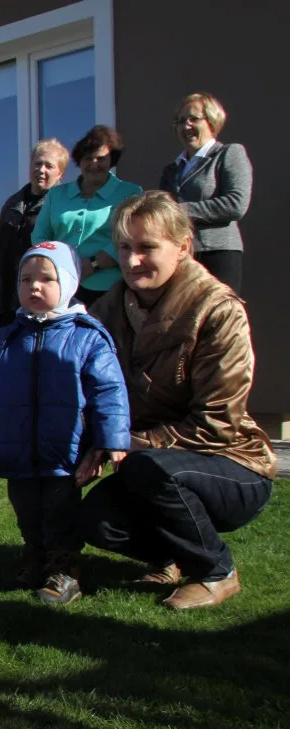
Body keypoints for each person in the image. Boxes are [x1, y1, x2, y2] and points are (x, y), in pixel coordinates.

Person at [79, 191, 275, 610]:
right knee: (96, 519)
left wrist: (124, 443)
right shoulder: (107, 311)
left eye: (147, 247)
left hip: (232, 463)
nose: (132, 261)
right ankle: (170, 557)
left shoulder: (218, 310)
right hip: (148, 462)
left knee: (151, 469)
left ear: (183, 247)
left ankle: (217, 572)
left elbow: (217, 423)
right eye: (124, 247)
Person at [0, 241, 130, 605]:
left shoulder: (87, 336)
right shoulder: (8, 337)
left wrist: (111, 439)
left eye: (46, 279)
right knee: (26, 509)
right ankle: (35, 554)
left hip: (63, 449)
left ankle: (64, 567)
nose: (34, 287)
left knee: (60, 512)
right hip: (16, 447)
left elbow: (109, 389)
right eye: (25, 280)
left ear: (68, 283)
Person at [32, 125, 143, 306]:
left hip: (110, 289)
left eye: (101, 158)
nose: (94, 164)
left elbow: (132, 236)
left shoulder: (130, 193)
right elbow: (40, 236)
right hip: (61, 285)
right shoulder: (57, 194)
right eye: (87, 158)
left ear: (112, 160)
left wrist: (93, 264)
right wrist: (56, 264)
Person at [158, 93, 252, 292]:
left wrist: (180, 211)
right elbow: (163, 211)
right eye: (181, 121)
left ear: (212, 121)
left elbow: (236, 204)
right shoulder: (172, 169)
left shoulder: (228, 154)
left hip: (217, 252)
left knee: (218, 309)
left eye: (193, 119)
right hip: (181, 255)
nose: (186, 126)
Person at [0, 139, 70, 322]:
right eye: (37, 163)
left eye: (49, 166)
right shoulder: (13, 204)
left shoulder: (63, 206)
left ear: (60, 173)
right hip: (9, 296)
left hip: (41, 297)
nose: (41, 170)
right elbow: (0, 252)